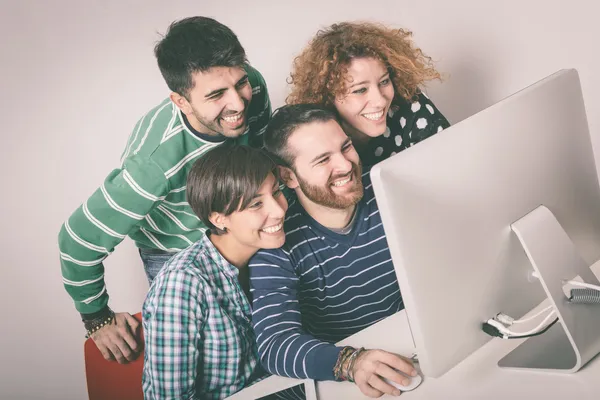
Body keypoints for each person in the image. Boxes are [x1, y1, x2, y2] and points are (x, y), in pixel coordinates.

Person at [57, 16, 271, 364]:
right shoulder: (151, 166)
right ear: (181, 102)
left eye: (240, 82)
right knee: (220, 357)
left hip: (243, 223)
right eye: (216, 94)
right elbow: (76, 240)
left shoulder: (253, 87)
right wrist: (97, 318)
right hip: (177, 249)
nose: (238, 102)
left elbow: (260, 155)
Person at [250, 104, 418, 399]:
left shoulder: (389, 187)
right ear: (288, 177)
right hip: (346, 381)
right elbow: (275, 344)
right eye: (323, 159)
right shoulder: (277, 243)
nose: (345, 165)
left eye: (346, 147)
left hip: (413, 350)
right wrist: (350, 362)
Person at [143, 144, 287, 399]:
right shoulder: (182, 285)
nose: (278, 210)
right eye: (256, 204)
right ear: (218, 218)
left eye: (276, 192)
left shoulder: (272, 251)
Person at [287, 21, 450, 166]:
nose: (380, 101)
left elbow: (452, 170)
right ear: (329, 97)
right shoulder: (316, 136)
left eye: (384, 81)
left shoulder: (413, 106)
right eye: (360, 90)